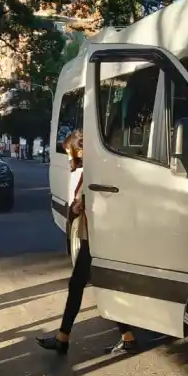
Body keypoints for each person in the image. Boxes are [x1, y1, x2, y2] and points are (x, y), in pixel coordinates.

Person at [37, 131, 138, 356]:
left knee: (87, 285)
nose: (68, 157)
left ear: (79, 151)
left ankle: (64, 339)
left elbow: (79, 204)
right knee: (96, 283)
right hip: (101, 235)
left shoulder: (89, 172)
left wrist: (75, 207)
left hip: (95, 236)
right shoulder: (108, 166)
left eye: (68, 152)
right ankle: (124, 335)